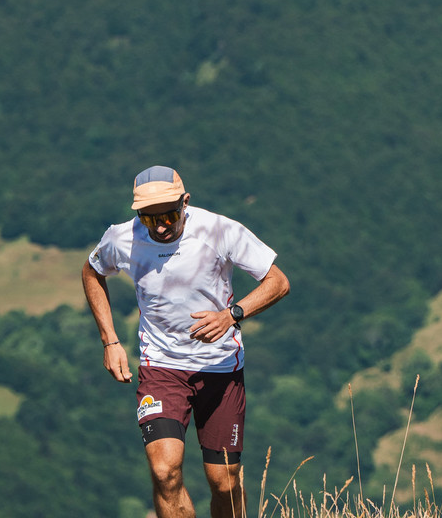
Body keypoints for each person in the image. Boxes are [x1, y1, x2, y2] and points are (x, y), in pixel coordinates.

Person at [82, 166, 290, 518]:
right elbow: (92, 271)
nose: (160, 225)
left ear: (186, 202)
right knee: (165, 472)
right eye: (149, 218)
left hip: (219, 369)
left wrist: (231, 315)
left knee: (224, 482)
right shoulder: (122, 239)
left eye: (168, 214)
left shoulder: (219, 230)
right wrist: (110, 340)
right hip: (161, 368)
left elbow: (278, 282)